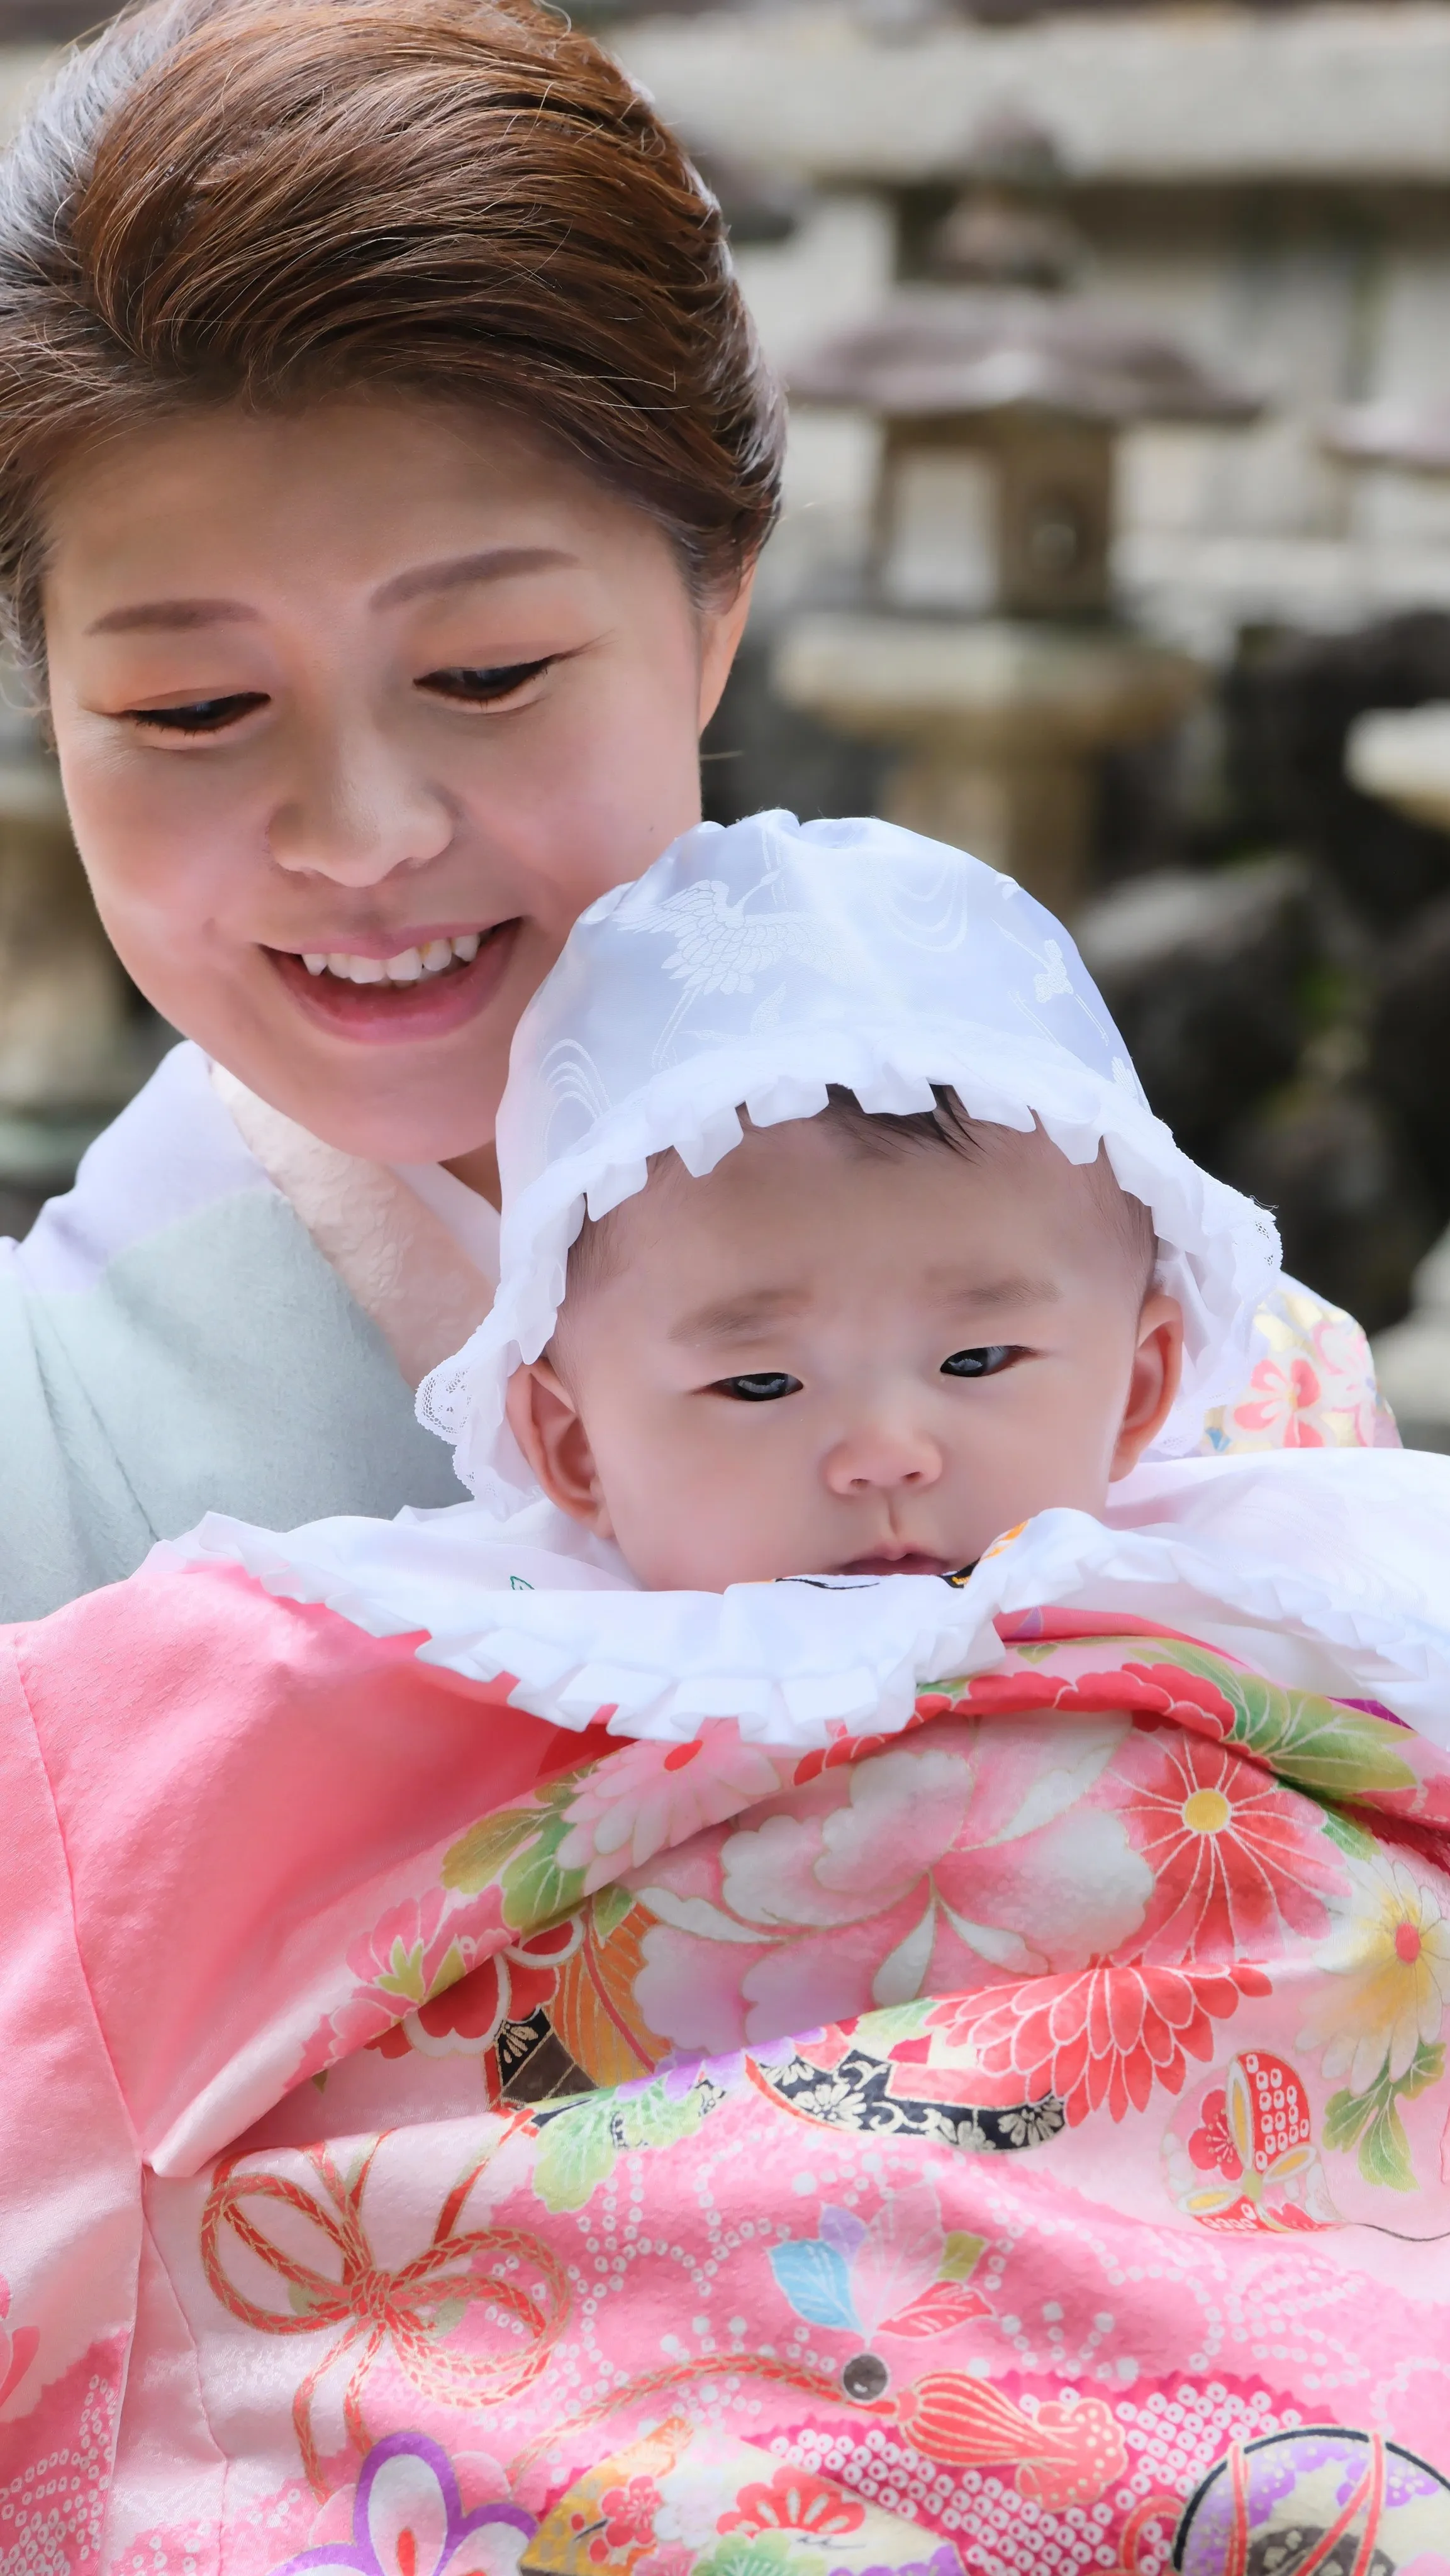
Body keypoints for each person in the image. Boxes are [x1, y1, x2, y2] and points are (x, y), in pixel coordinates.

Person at [5, 813, 1450, 2562]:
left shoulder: (1281, 1542)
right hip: (676, 2328)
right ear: (567, 1435)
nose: (887, 1448)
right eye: (757, 1383)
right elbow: (84, 1844)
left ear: (1147, 1381)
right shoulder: (444, 1630)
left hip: (1227, 2250)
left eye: (982, 1357)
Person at [0, 0, 774, 1619]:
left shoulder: (1121, 1279)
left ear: (717, 613)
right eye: (192, 708)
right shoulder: (43, 1444)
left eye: (488, 673)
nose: (358, 837)